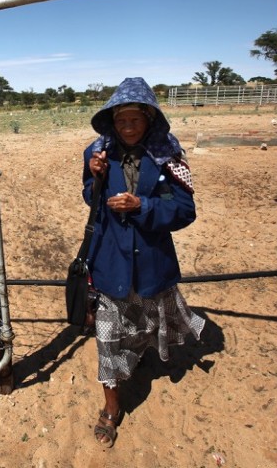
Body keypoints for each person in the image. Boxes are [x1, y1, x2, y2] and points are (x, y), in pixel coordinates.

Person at [82, 76, 205, 448]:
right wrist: (95, 179)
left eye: (135, 120)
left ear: (149, 119)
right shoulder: (99, 152)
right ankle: (111, 406)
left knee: (146, 325)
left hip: (151, 261)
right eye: (121, 121)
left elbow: (185, 211)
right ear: (111, 122)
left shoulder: (167, 155)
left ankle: (140, 361)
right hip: (109, 259)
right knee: (107, 338)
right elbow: (91, 200)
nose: (128, 127)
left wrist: (144, 206)